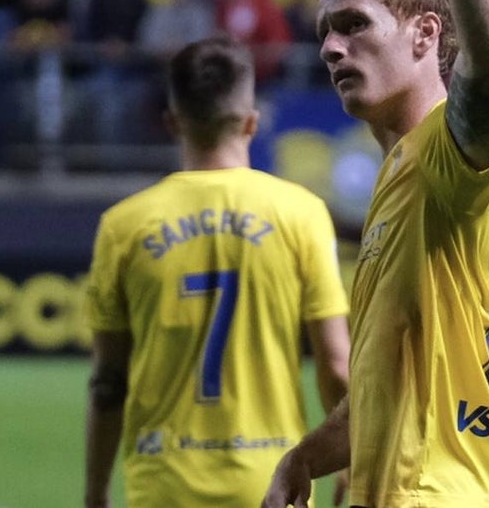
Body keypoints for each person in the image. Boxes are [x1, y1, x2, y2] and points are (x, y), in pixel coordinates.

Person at [263, 0, 489, 508]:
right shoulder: (399, 176)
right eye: (325, 31)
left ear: (424, 35)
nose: (330, 47)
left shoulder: (451, 152)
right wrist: (303, 458)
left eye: (354, 24)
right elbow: (376, 405)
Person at [85, 36, 351, 508]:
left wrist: (96, 491)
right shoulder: (301, 213)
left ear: (172, 123)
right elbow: (335, 365)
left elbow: (109, 381)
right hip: (273, 482)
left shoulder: (123, 225)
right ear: (252, 122)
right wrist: (350, 457)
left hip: (163, 484)